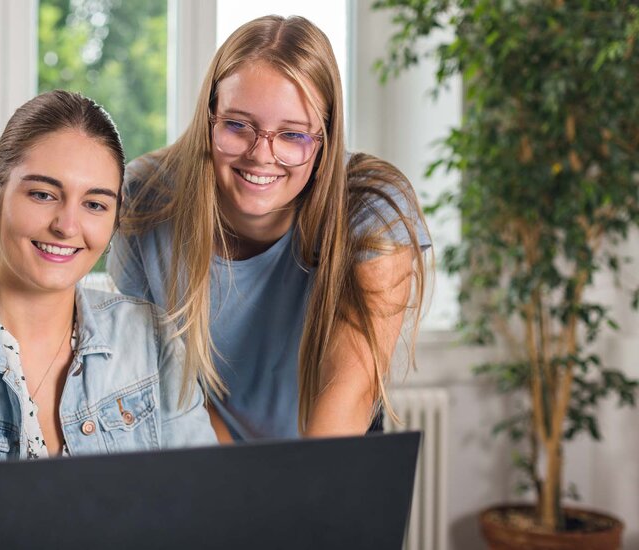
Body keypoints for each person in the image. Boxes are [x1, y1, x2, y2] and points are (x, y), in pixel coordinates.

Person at [0, 90, 216, 550]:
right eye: (44, 194)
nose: (67, 226)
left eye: (94, 204)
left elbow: (205, 507)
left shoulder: (154, 338)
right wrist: (8, 511)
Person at [108, 15, 432, 442]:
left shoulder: (373, 207)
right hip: (206, 444)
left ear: (326, 141)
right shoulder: (145, 199)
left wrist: (296, 499)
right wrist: (241, 488)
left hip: (333, 448)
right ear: (210, 117)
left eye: (293, 135)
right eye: (238, 125)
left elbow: (351, 394)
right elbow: (172, 387)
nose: (262, 155)